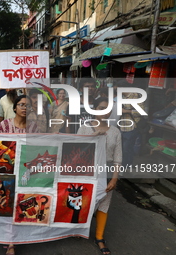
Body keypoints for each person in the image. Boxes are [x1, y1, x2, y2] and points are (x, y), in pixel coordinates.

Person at [77, 97, 122, 255]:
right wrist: (95, 135)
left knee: (104, 203)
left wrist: (115, 178)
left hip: (106, 172)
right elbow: (76, 150)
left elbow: (117, 157)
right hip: (86, 171)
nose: (105, 111)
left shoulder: (115, 131)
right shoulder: (84, 128)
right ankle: (78, 228)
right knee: (83, 200)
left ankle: (99, 237)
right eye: (101, 107)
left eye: (108, 109)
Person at [0, 95, 38, 255]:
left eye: (28, 105)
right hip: (7, 171)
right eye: (21, 104)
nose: (25, 108)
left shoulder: (34, 128)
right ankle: (10, 242)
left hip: (26, 172)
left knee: (22, 202)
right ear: (14, 108)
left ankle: (19, 236)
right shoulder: (4, 125)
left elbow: (38, 148)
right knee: (8, 203)